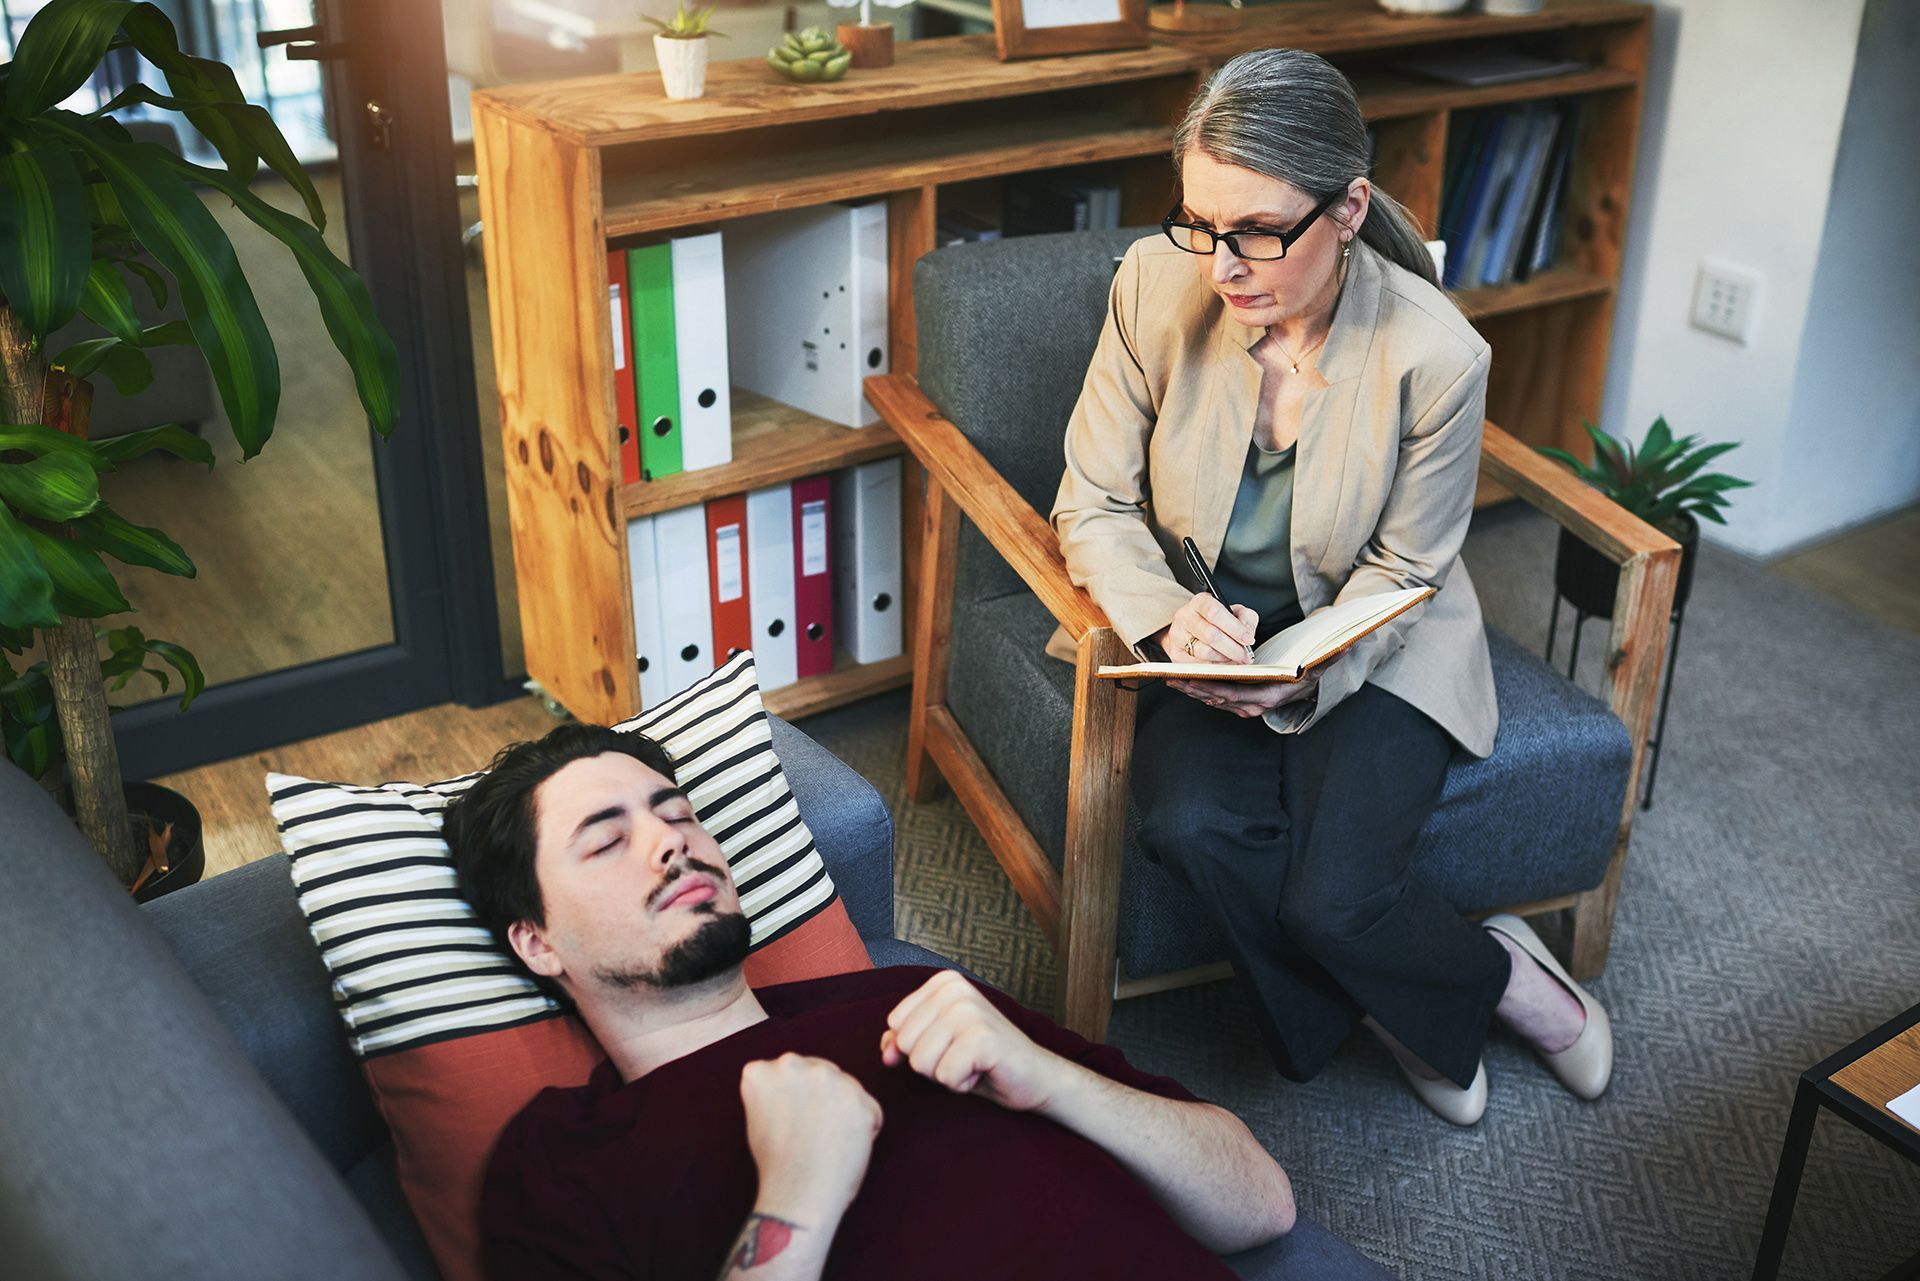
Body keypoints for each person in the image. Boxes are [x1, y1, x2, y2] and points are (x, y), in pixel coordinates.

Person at [1047, 47, 1613, 1125]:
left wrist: (1306, 678)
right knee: (1190, 829)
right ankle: (1403, 1009)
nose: (1223, 264)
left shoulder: (1435, 355)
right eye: (1202, 224)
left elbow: (1405, 570)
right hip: (1208, 633)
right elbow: (1093, 501)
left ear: (1347, 208)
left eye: (1258, 231)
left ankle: (1514, 983)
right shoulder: (1151, 288)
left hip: (1381, 639)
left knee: (1337, 897)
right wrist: (1170, 618)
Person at [445, 723, 1295, 1280]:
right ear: (537, 941)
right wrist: (797, 1193)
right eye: (608, 839)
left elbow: (1261, 1202)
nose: (673, 838)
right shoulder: (561, 1162)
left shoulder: (915, 996)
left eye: (678, 813)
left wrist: (1053, 1080)